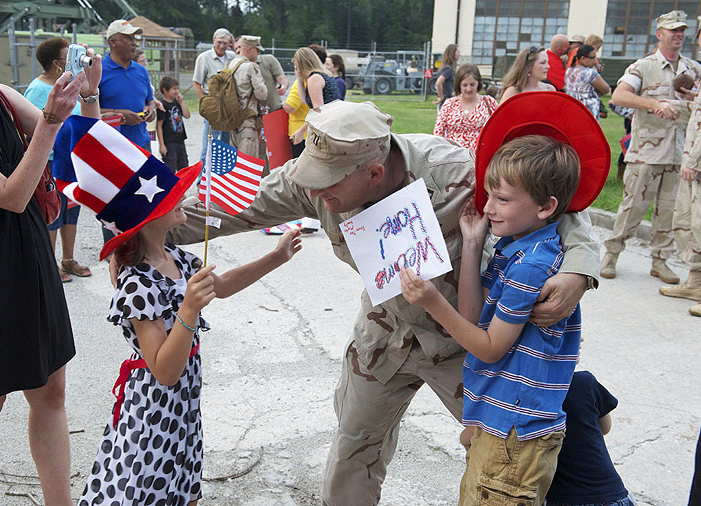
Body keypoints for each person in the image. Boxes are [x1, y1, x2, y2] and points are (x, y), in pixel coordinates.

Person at [166, 99, 602, 506]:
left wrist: (578, 271)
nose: (315, 194)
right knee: (353, 447)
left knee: (515, 452)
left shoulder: (452, 171)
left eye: (327, 186)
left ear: (374, 173)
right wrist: (142, 233)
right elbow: (228, 206)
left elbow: (554, 203)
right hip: (385, 334)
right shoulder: (315, 177)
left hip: (464, 343)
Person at [50, 116, 301, 506]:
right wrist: (188, 309)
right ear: (146, 219)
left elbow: (220, 285)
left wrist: (275, 257)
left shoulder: (175, 258)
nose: (185, 197)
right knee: (142, 491)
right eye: (172, 197)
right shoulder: (137, 284)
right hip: (152, 413)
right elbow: (165, 370)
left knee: (183, 487)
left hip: (183, 405)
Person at [0, 1, 101, 503]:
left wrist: (86, 96)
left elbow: (80, 146)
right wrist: (51, 124)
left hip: (34, 258)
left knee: (51, 394)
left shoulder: (1, 96)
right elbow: (9, 195)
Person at [401, 133, 582, 506]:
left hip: (514, 437)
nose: (490, 208)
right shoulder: (516, 248)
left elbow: (490, 347)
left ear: (546, 207)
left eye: (502, 199)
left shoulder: (530, 266)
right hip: (500, 423)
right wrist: (472, 244)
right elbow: (474, 317)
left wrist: (434, 302)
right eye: (489, 195)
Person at [601, 10, 701, 284]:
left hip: (679, 153)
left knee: (669, 212)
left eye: (682, 30)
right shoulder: (643, 66)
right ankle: (612, 253)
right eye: (672, 30)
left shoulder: (693, 69)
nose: (678, 35)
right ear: (660, 34)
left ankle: (660, 261)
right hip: (646, 152)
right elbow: (619, 95)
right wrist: (654, 104)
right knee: (632, 207)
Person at [24, 37, 92, 283]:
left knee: (71, 212)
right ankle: (50, 264)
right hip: (52, 163)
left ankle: (68, 259)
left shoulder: (70, 85)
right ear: (57, 64)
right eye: (69, 56)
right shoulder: (38, 90)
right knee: (53, 212)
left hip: (71, 162)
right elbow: (31, 130)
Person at [545, 370, 634, 506]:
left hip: (562, 497)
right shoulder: (584, 381)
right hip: (611, 495)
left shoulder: (519, 394)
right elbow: (605, 428)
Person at [661, 20, 701, 316]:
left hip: (695, 162)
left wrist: (693, 161)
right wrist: (691, 102)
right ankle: (696, 281)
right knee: (688, 222)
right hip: (691, 157)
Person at [98, 19, 156, 151]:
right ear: (113, 42)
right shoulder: (98, 71)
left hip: (142, 145)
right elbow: (85, 112)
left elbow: (150, 100)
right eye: (128, 38)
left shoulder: (141, 71)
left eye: (134, 38)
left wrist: (151, 109)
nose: (134, 43)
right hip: (111, 148)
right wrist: (118, 114)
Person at [192, 28, 236, 163]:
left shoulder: (232, 57)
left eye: (226, 43)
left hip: (228, 108)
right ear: (213, 41)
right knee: (209, 144)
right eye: (219, 42)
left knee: (226, 144)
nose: (222, 46)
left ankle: (220, 180)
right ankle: (202, 180)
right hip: (214, 106)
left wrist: (234, 45)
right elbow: (197, 83)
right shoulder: (204, 58)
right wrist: (206, 105)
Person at [433, 64, 497, 152]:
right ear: (459, 85)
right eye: (465, 85)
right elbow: (438, 133)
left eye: (472, 84)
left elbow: (499, 128)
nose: (468, 89)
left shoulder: (489, 102)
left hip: (481, 157)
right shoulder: (449, 104)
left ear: (478, 83)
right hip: (453, 158)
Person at [288, 47, 341, 146]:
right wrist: (299, 78)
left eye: (297, 67)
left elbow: (318, 111)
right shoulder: (324, 75)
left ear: (303, 65)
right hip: (333, 126)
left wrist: (301, 131)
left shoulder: (314, 79)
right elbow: (304, 100)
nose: (296, 69)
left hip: (326, 130)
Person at [282, 44, 327, 158]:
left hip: (301, 133)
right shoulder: (324, 77)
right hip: (318, 132)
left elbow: (290, 107)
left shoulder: (306, 81)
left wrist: (279, 105)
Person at [226, 35, 267, 158]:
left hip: (233, 120)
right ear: (250, 49)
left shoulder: (230, 65)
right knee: (247, 163)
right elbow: (262, 94)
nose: (258, 53)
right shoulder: (250, 66)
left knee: (233, 163)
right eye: (257, 50)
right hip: (247, 122)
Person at [565, 44, 612, 119]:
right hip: (588, 111)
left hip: (572, 109)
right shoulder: (589, 73)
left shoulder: (569, 70)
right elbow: (606, 89)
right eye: (592, 58)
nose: (595, 60)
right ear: (583, 58)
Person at [156, 76, 191, 172]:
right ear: (165, 90)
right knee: (170, 167)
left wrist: (181, 102)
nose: (177, 91)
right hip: (169, 143)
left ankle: (182, 187)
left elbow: (187, 115)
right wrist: (162, 145)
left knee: (184, 167)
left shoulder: (177, 102)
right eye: (174, 89)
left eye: (177, 88)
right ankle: (170, 187)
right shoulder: (162, 105)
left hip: (180, 141)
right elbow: (159, 126)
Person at [434, 44, 460, 110]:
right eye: (458, 52)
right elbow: (438, 83)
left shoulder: (444, 67)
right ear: (452, 54)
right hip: (447, 103)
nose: (459, 54)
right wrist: (441, 97)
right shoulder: (448, 69)